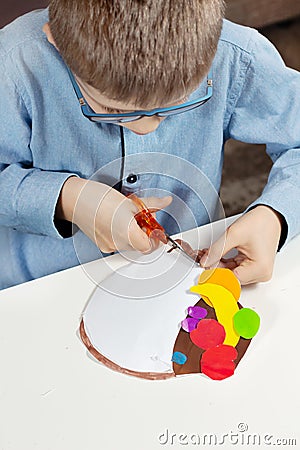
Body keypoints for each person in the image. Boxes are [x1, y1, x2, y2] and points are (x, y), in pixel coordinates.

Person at [0, 0, 299, 291]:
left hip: (182, 283)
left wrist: (275, 216)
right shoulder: (13, 66)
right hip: (36, 289)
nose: (144, 128)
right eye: (112, 110)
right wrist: (69, 200)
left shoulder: (235, 57)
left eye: (176, 104)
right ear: (56, 40)